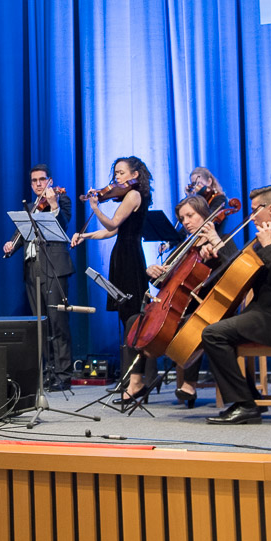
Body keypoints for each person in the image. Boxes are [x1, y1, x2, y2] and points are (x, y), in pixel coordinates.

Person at [201, 185, 271, 425]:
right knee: (215, 329)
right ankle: (249, 398)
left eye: (254, 210)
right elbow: (237, 272)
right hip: (262, 315)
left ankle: (245, 405)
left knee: (213, 334)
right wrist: (213, 259)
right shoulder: (261, 240)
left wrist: (270, 245)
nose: (251, 217)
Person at [71, 156, 153, 404]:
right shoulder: (130, 195)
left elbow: (113, 221)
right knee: (126, 318)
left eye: (121, 173)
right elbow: (113, 231)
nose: (116, 178)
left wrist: (95, 207)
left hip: (130, 257)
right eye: (115, 173)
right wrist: (85, 236)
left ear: (135, 175)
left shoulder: (133, 195)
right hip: (123, 254)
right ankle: (133, 381)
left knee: (132, 319)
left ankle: (137, 382)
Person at [144, 195, 237, 406]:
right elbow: (163, 282)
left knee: (193, 325)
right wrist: (153, 272)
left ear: (204, 214)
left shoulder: (224, 238)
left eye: (190, 215)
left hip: (216, 307)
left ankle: (189, 384)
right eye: (182, 218)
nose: (185, 222)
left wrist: (215, 241)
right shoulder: (185, 246)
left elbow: (234, 267)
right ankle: (136, 383)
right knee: (138, 321)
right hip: (183, 307)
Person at [3, 165, 74, 390]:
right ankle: (46, 373)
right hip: (33, 269)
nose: (38, 184)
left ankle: (63, 375)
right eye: (34, 181)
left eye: (42, 179)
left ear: (49, 180)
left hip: (54, 268)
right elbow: (23, 235)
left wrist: (53, 205)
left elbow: (63, 225)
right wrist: (11, 245)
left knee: (58, 322)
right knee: (41, 325)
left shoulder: (61, 199)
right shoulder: (32, 206)